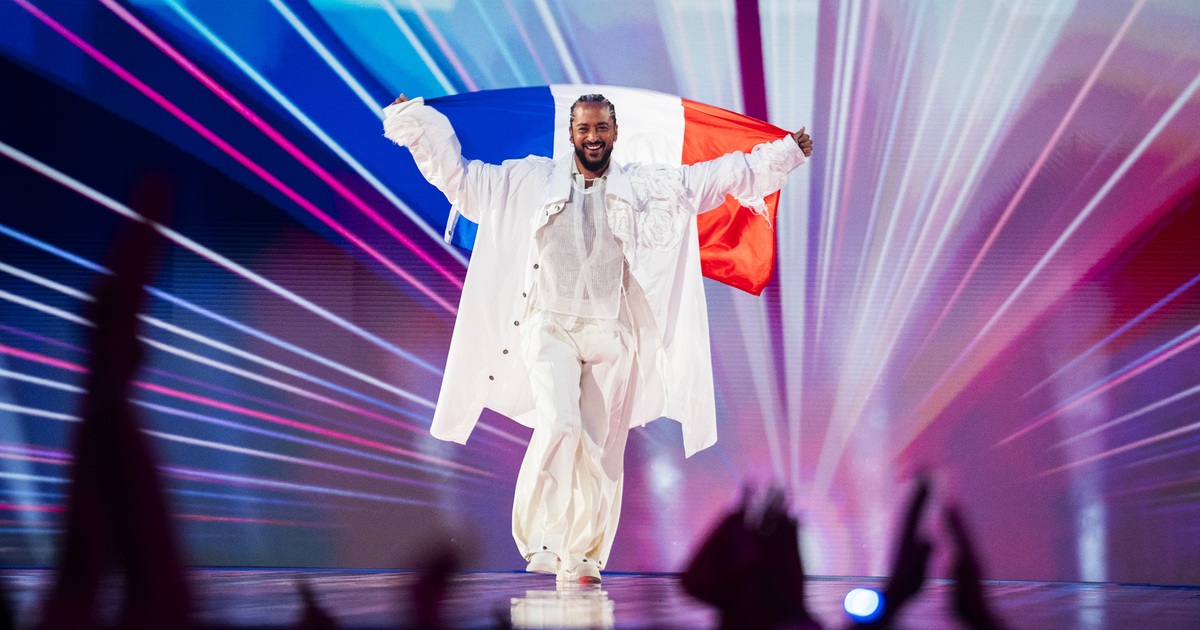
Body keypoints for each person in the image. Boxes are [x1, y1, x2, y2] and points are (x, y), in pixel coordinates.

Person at [383, 92, 813, 583]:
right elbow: (461, 180)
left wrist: (783, 154)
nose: (593, 136)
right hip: (549, 326)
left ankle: (586, 552)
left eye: (601, 128)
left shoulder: (645, 186)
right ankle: (543, 540)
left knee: (602, 443)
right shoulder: (529, 180)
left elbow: (714, 178)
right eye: (584, 128)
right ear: (571, 133)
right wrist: (415, 123)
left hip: (612, 330)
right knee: (560, 423)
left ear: (614, 133)